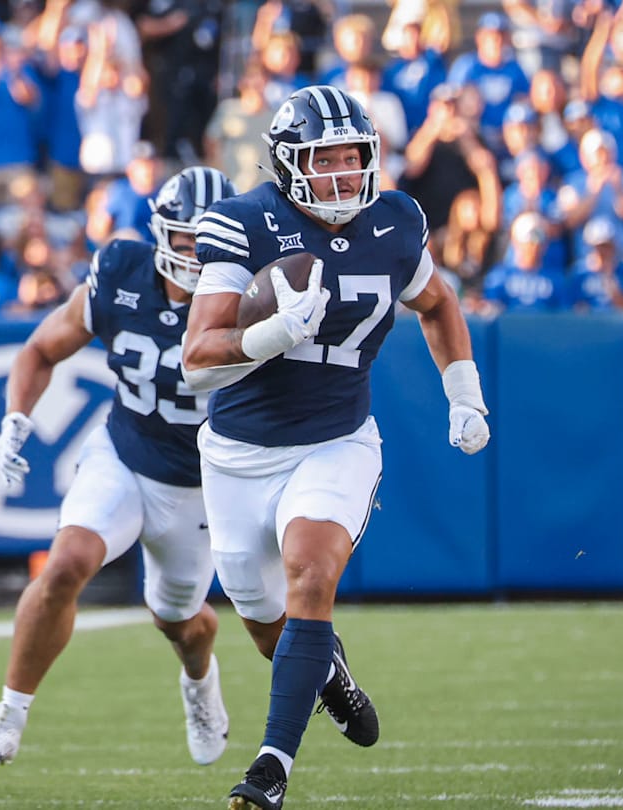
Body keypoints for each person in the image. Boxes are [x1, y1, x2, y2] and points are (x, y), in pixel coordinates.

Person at [181, 86, 490, 810]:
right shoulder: (242, 223)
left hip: (336, 440)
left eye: (355, 159)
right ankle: (331, 676)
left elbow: (437, 303)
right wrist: (271, 335)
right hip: (236, 454)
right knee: (266, 624)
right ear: (289, 164)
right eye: (327, 160)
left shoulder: (394, 221)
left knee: (310, 578)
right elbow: (197, 357)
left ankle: (269, 768)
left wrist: (464, 390)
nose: (345, 176)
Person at [0, 166, 239, 777]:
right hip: (125, 453)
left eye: (211, 242)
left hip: (198, 486)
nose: (198, 256)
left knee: (180, 622)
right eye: (187, 240)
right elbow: (39, 348)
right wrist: (15, 418)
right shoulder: (121, 273)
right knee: (65, 564)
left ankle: (200, 683)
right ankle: (7, 719)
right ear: (162, 234)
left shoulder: (251, 295)